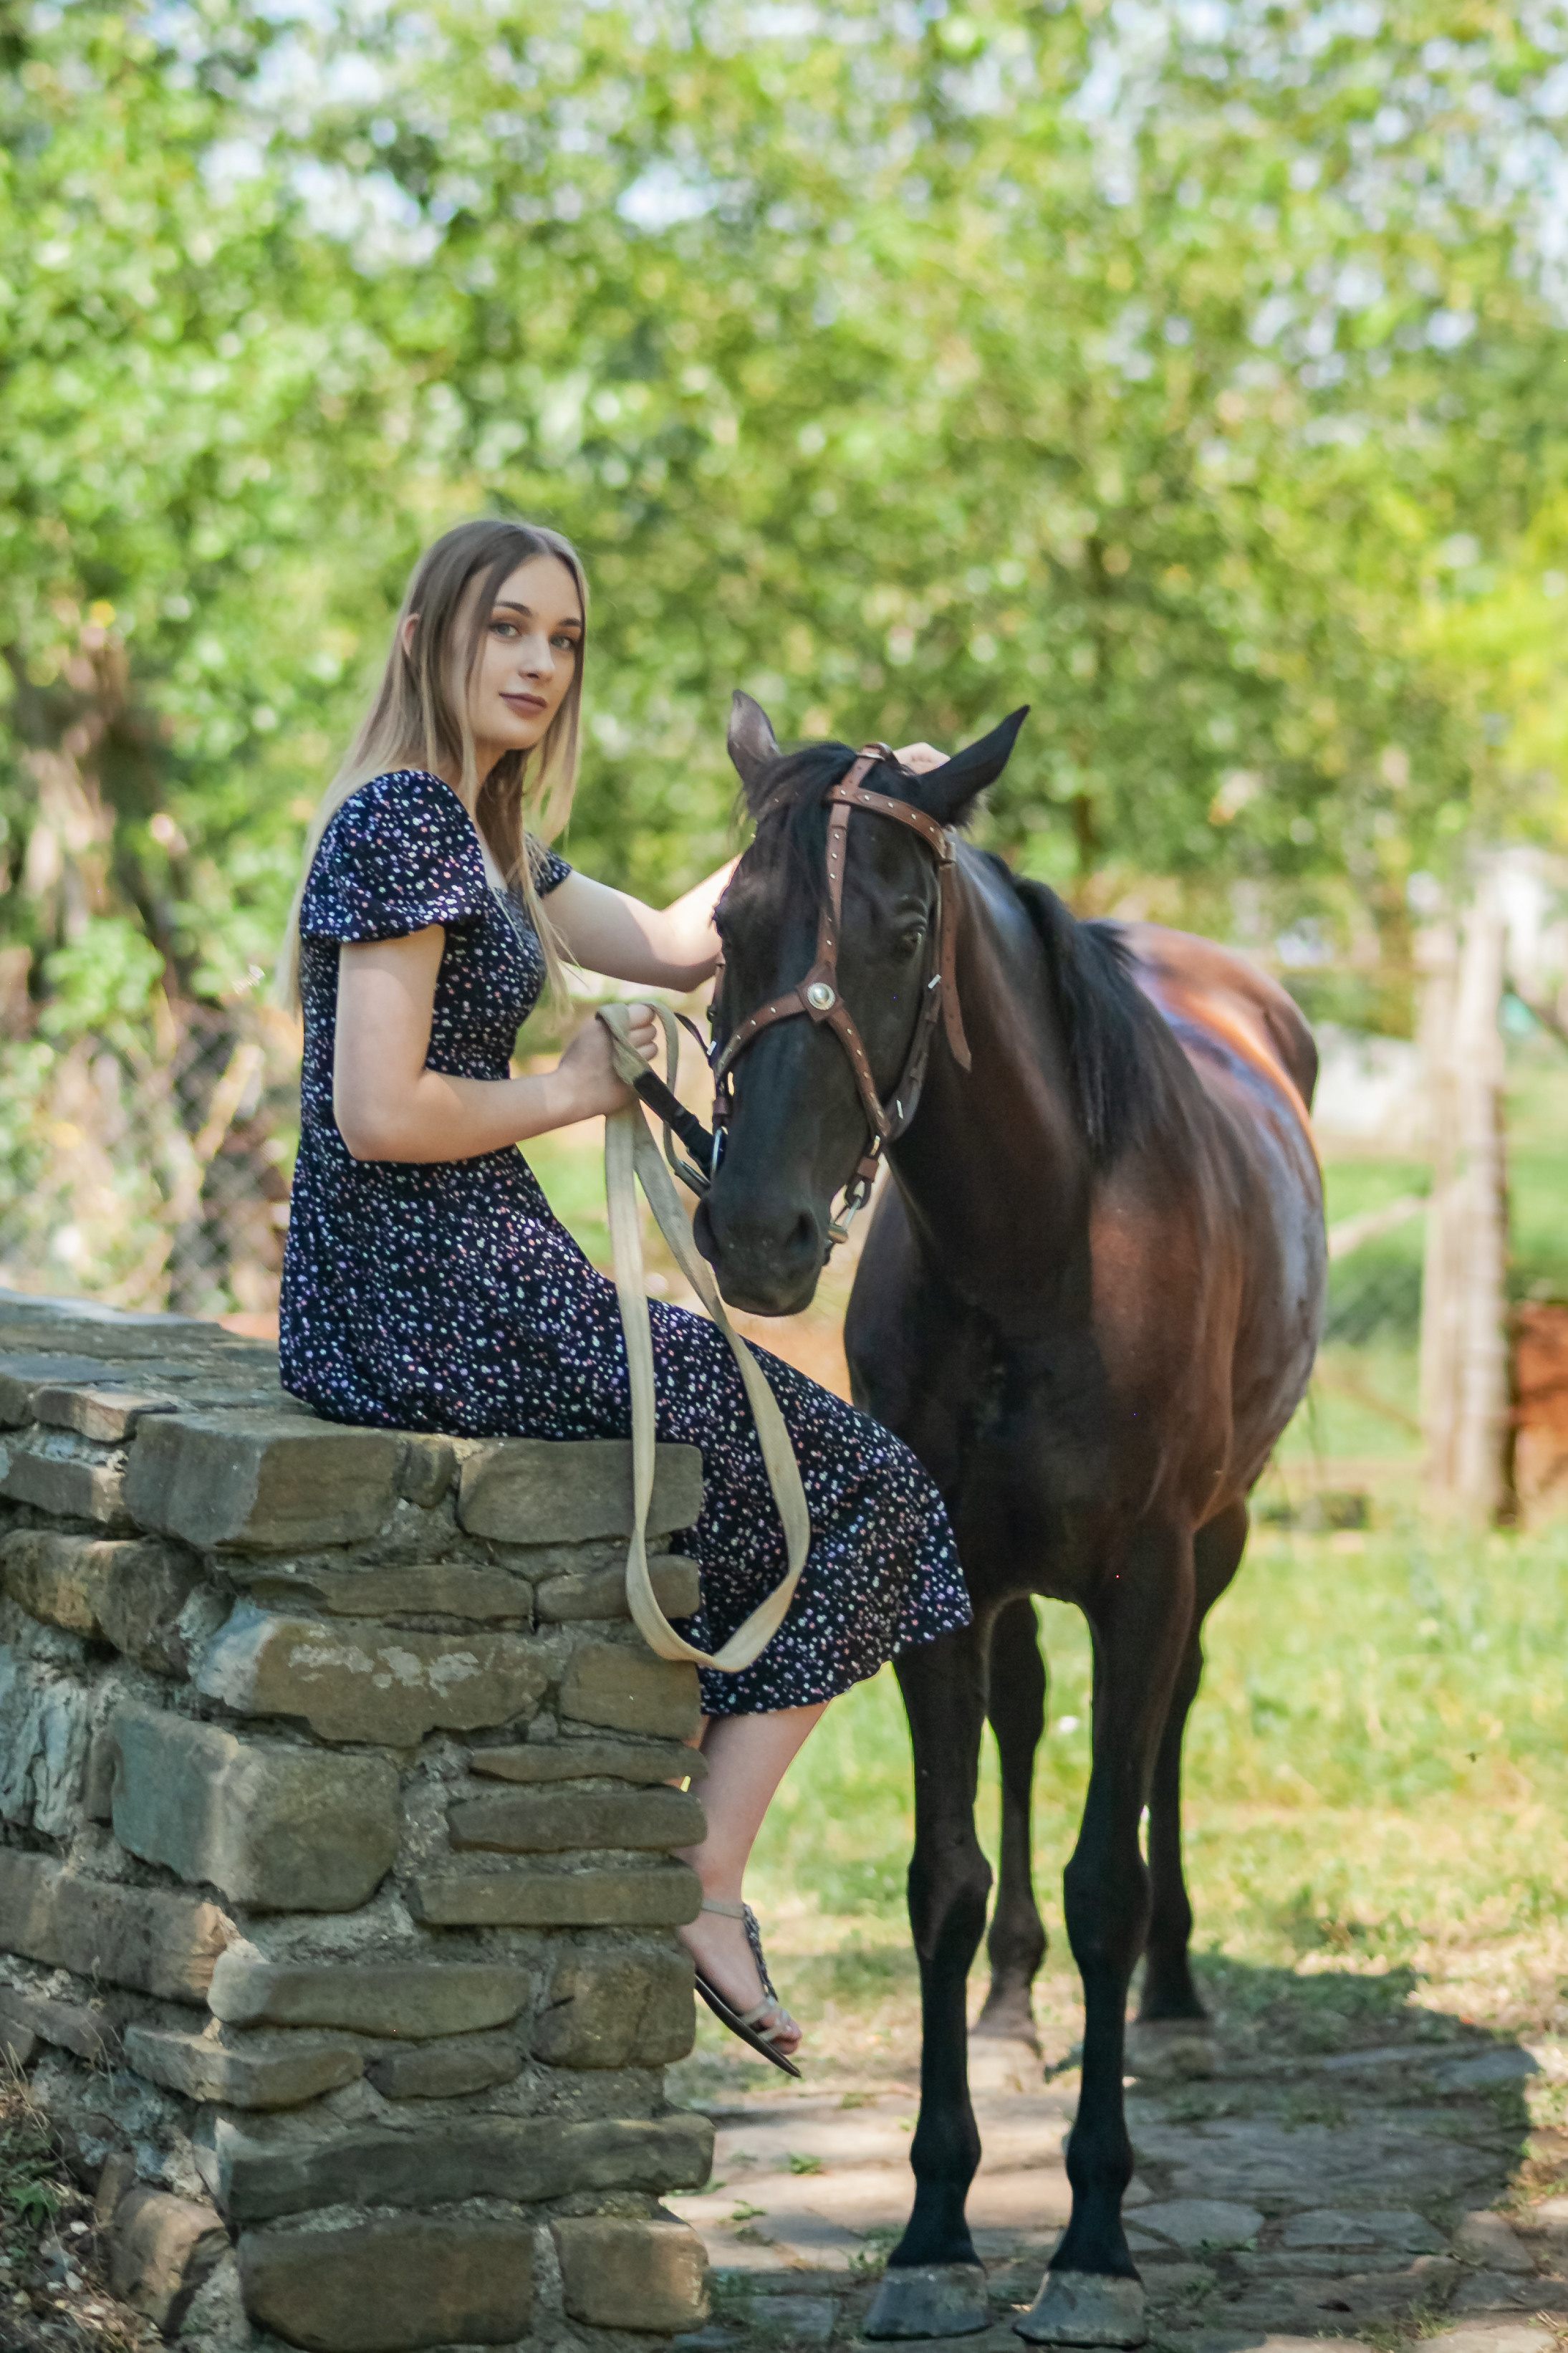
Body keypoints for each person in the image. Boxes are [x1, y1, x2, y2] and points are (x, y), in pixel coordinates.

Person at [275, 517, 970, 2067]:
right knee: (872, 1492)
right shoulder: (402, 823)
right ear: (427, 641)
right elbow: (378, 1112)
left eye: (564, 639)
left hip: (453, 1278)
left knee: (824, 1484)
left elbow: (668, 943)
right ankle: (703, 1878)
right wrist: (575, 1090)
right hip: (423, 1292)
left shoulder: (486, 836)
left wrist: (848, 805)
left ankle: (687, 1845)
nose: (539, 663)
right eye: (506, 628)